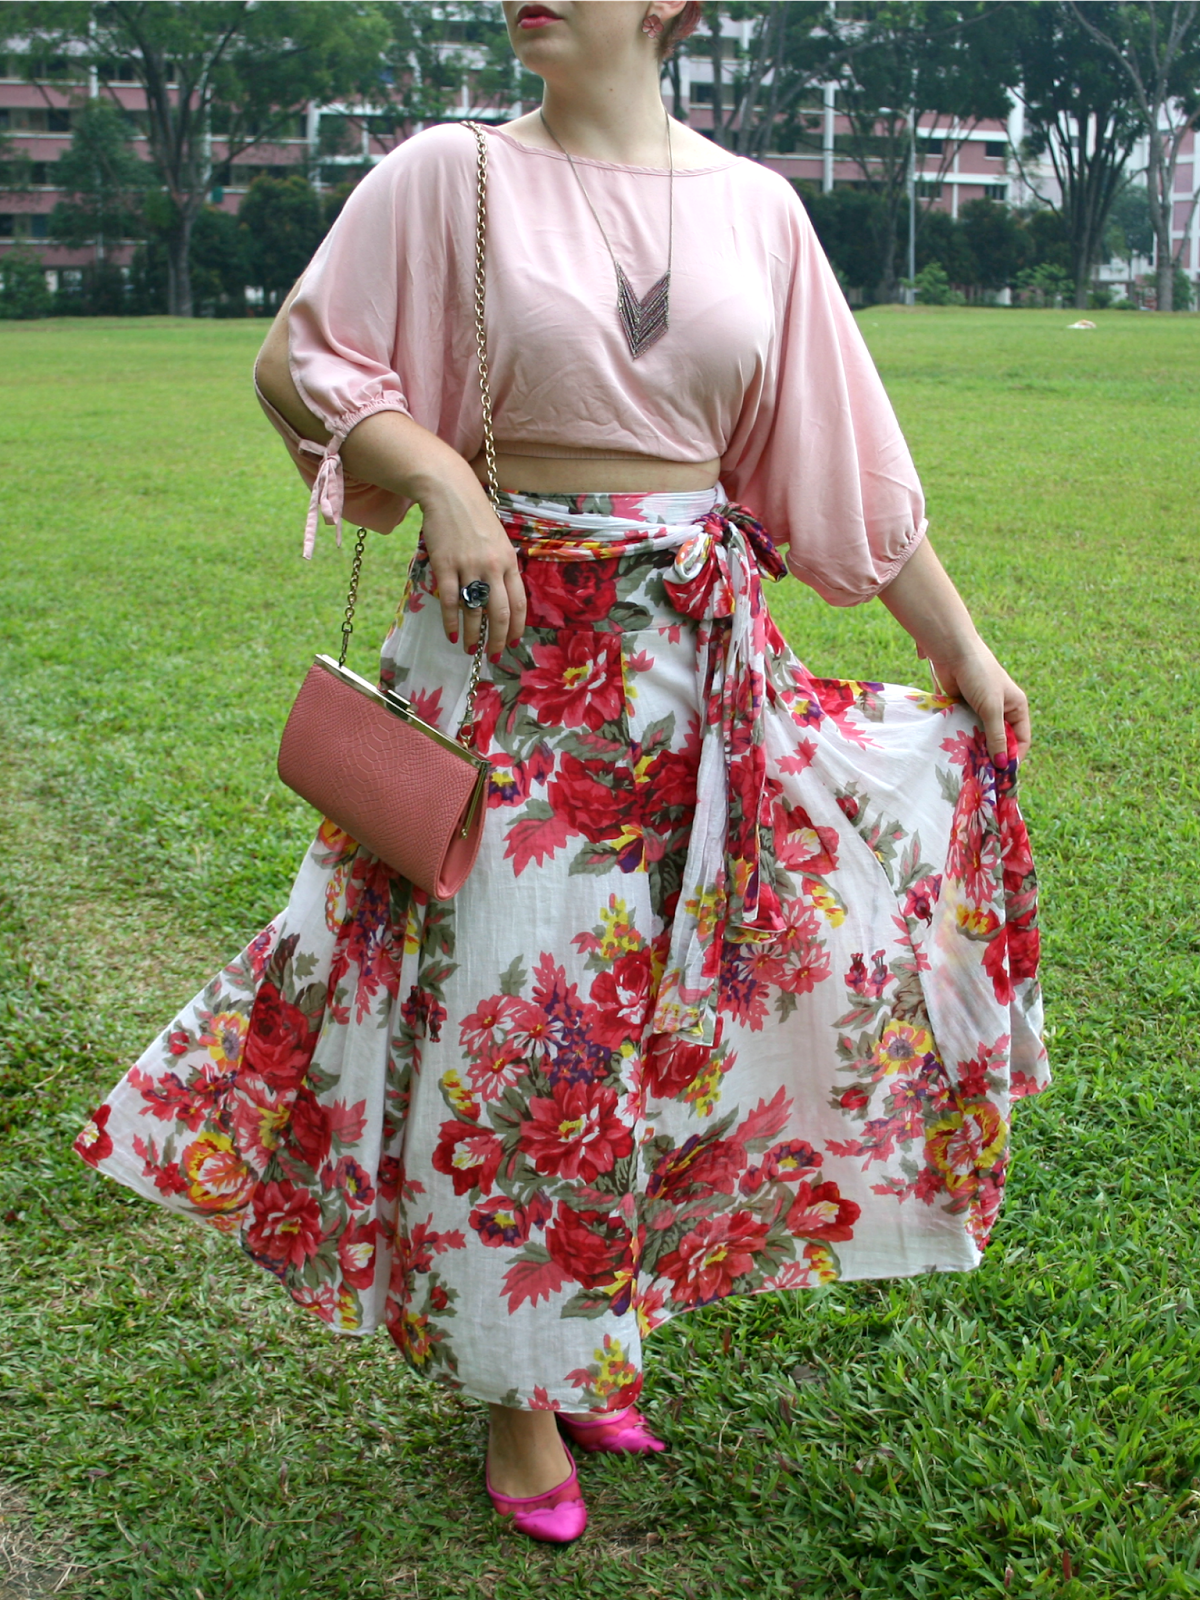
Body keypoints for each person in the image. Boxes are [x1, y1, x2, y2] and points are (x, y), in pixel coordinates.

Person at [74, 0, 1048, 1547]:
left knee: (657, 1028)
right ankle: (519, 1391)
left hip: (696, 689)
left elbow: (846, 478)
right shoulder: (447, 172)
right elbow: (303, 364)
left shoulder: (756, 210)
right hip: (505, 666)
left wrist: (966, 652)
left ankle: (586, 1333)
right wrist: (440, 478)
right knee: (519, 1026)